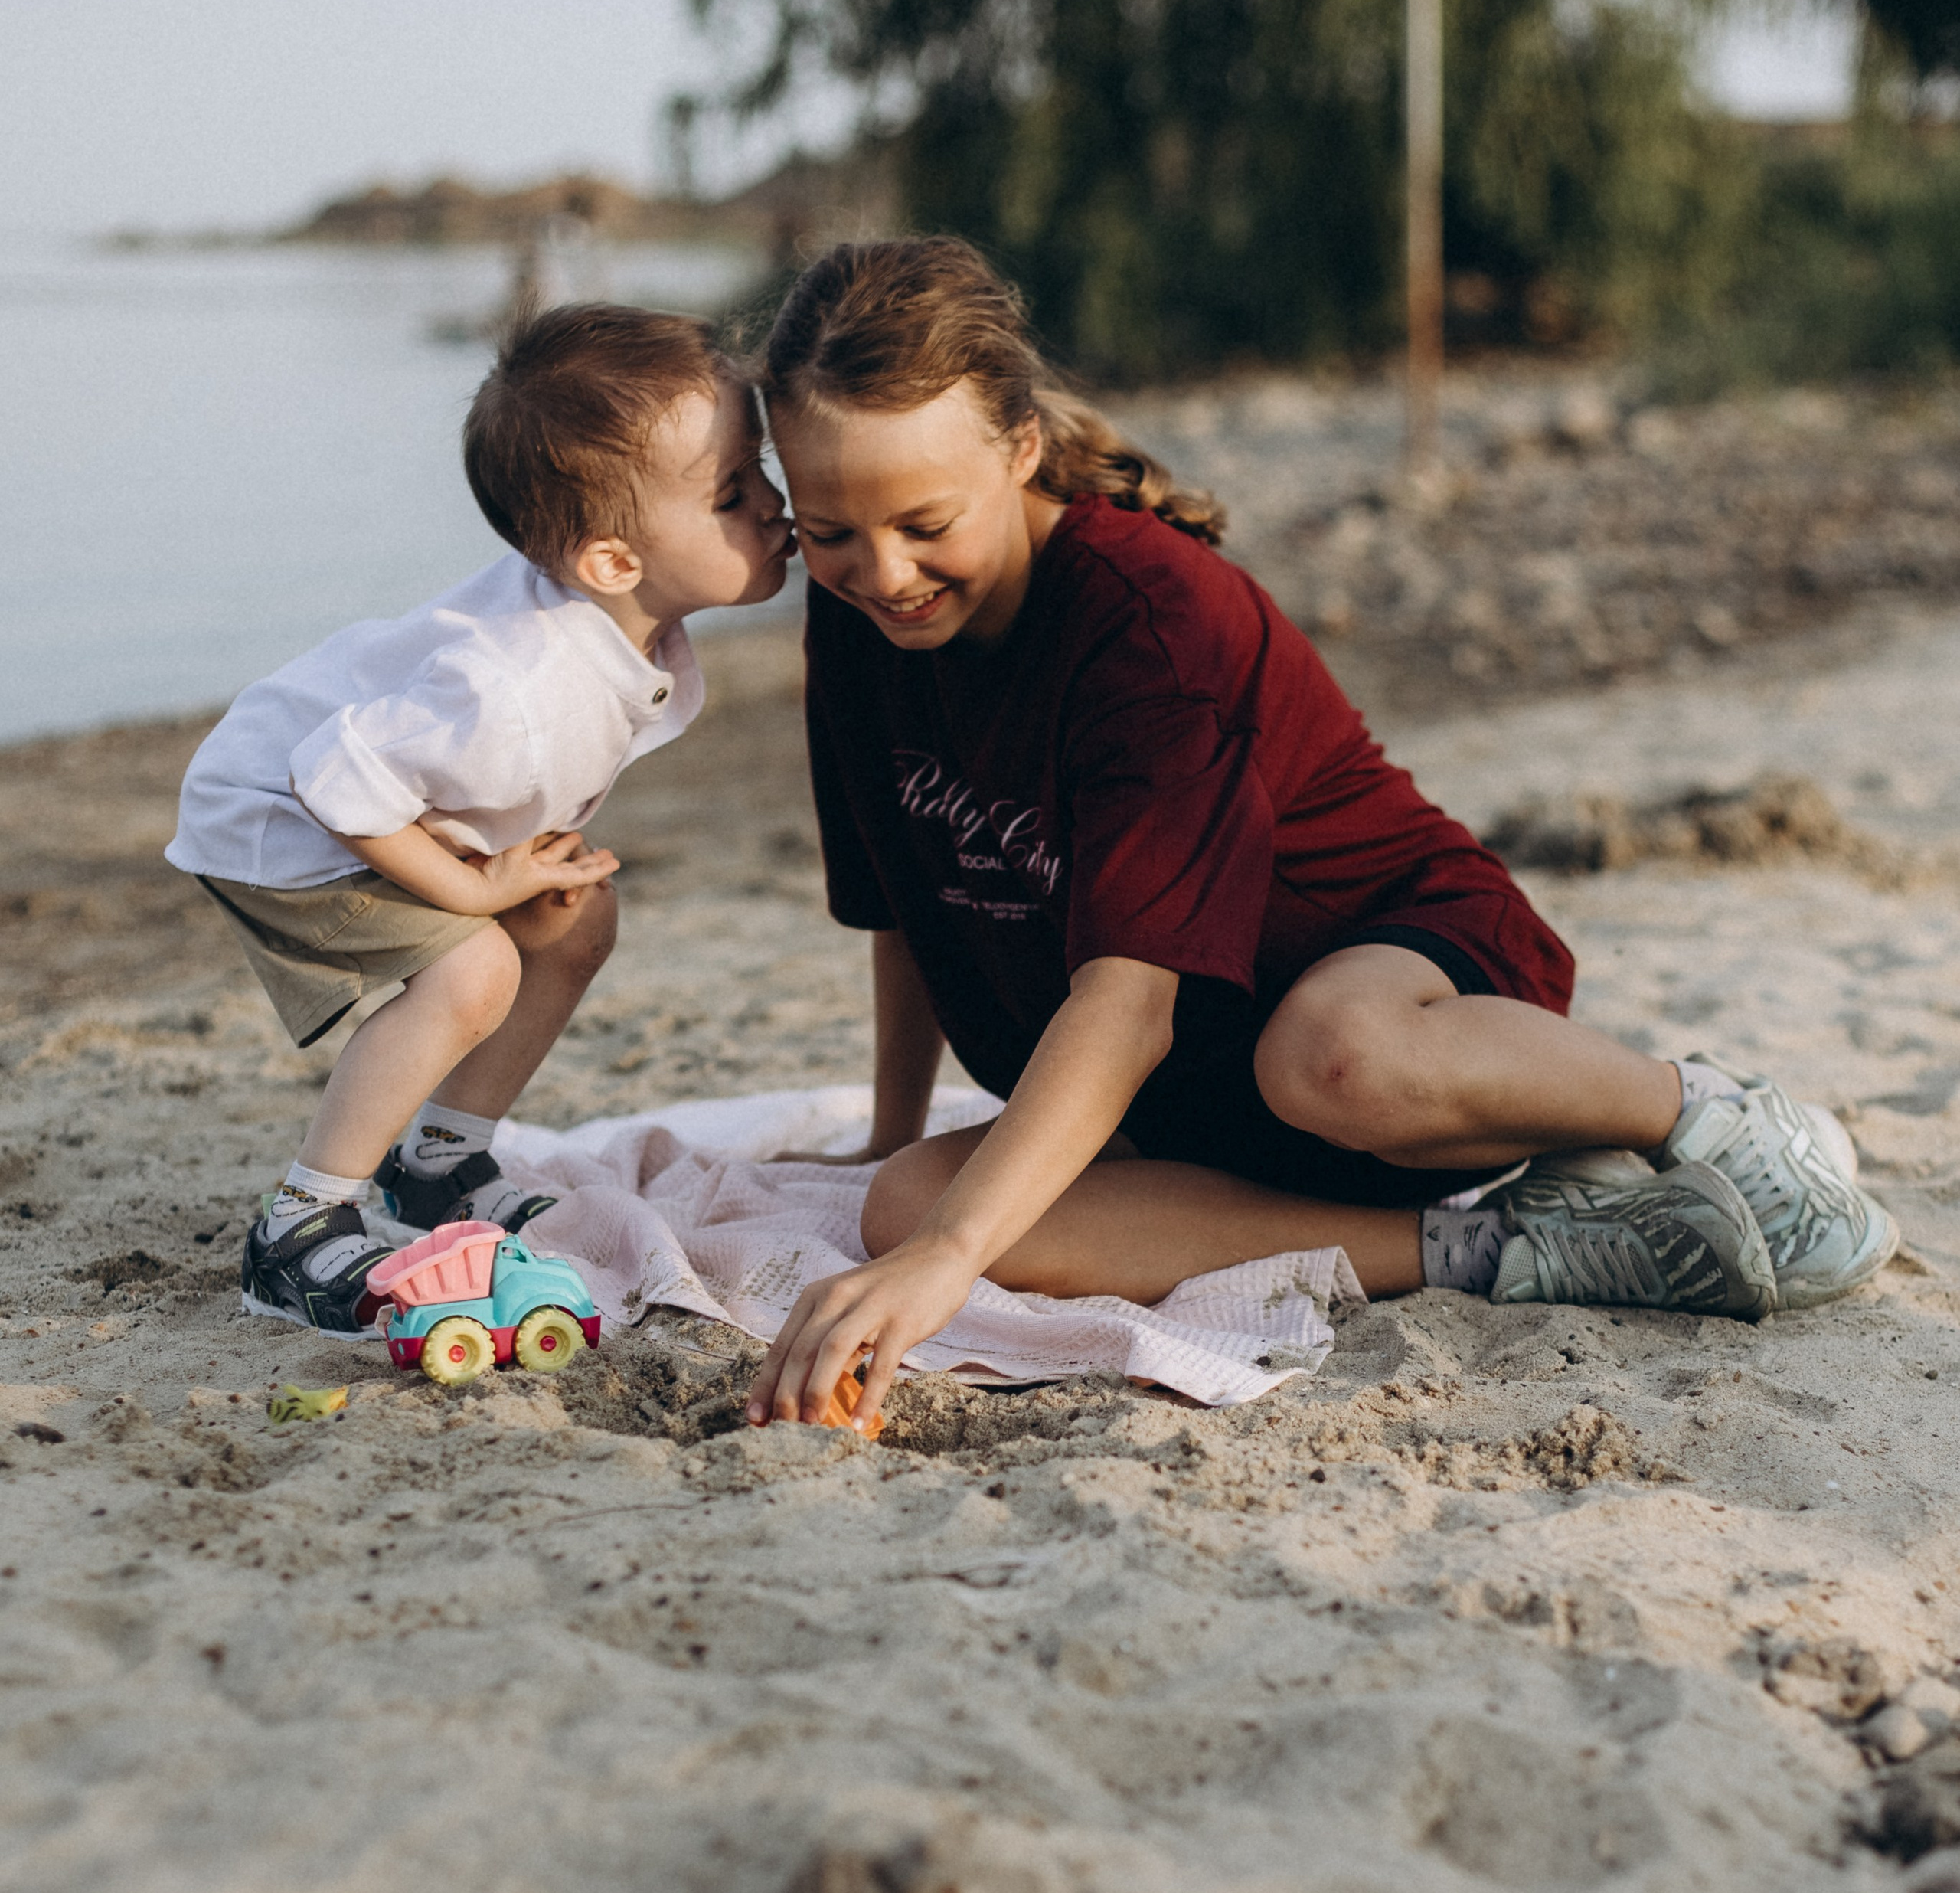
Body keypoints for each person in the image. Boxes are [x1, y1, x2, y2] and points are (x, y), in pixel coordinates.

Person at [744, 236, 1893, 1429]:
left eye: (925, 521)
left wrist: (951, 1259)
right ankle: (1504, 1248)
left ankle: (1701, 1109)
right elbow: (909, 903)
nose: (883, 573)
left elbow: (1129, 1003)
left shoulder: (1147, 618)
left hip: (1393, 1008)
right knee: (906, 1204)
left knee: (1328, 1056)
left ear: (1021, 446)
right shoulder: (860, 629)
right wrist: (892, 1143)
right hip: (1192, 1101)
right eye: (829, 535)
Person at [168, 303, 793, 1337]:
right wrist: (474, 888)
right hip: (277, 813)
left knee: (573, 920)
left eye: (760, 471)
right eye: (734, 494)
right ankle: (297, 1226)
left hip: (388, 799)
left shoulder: (612, 629)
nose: (773, 506)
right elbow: (337, 775)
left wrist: (508, 873)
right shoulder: (514, 686)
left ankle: (440, 1165)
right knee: (476, 969)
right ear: (611, 564)